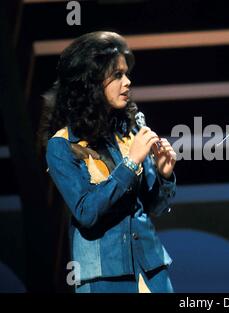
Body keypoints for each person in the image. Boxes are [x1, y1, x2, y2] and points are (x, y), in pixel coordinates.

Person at [40, 31, 177, 293]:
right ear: (90, 82)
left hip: (152, 271)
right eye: (117, 75)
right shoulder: (62, 145)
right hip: (105, 276)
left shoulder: (128, 133)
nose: (127, 82)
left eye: (126, 74)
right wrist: (130, 164)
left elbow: (153, 208)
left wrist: (164, 175)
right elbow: (87, 212)